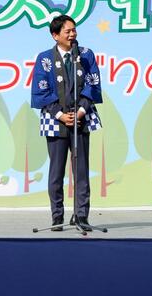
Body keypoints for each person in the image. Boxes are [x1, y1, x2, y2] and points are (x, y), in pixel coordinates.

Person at [31, 14, 102, 231]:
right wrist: (60, 114)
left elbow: (93, 84)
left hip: (81, 118)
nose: (72, 34)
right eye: (67, 31)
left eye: (74, 30)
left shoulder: (85, 55)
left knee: (81, 171)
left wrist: (80, 110)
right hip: (56, 120)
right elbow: (41, 89)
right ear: (55, 35)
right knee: (56, 172)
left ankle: (81, 215)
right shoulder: (44, 59)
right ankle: (57, 216)